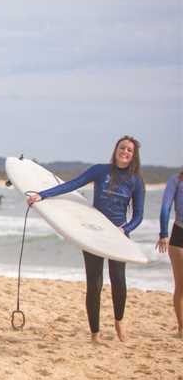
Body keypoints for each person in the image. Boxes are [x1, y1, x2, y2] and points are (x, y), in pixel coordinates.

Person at [27, 135, 145, 342]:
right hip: (93, 232)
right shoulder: (100, 171)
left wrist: (125, 229)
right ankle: (95, 334)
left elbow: (138, 215)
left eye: (129, 150)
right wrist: (43, 194)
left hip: (117, 235)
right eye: (122, 147)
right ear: (116, 149)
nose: (125, 151)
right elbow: (73, 184)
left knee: (118, 280)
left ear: (133, 156)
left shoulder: (136, 181)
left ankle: (119, 321)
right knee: (94, 283)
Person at [156, 167, 183, 338]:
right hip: (180, 234)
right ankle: (182, 328)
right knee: (181, 284)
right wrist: (164, 233)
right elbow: (165, 207)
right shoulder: (177, 180)